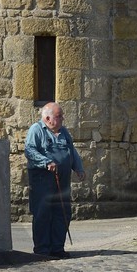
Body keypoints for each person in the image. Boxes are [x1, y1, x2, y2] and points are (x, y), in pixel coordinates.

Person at [24, 102, 85, 257]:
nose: (62, 118)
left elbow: (71, 151)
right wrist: (46, 162)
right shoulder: (36, 130)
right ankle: (42, 249)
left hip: (62, 180)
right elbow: (29, 150)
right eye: (59, 116)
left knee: (62, 212)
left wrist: (78, 168)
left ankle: (57, 248)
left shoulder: (64, 132)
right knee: (43, 213)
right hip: (42, 179)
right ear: (48, 118)